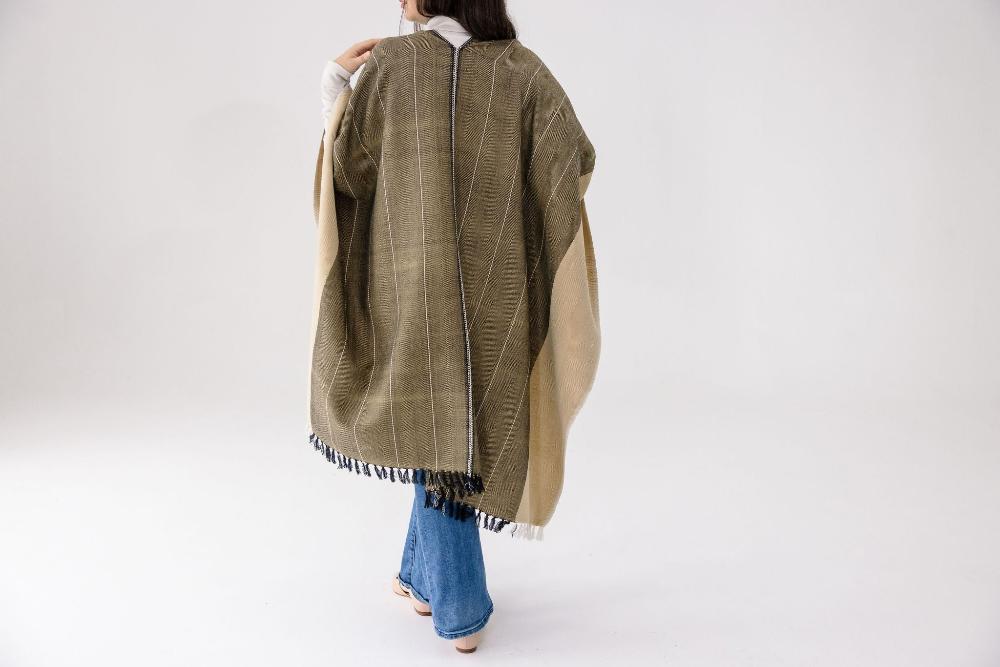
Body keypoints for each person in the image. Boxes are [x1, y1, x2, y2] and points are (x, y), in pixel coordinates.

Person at [309, 0, 599, 654]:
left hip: (409, 294)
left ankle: (462, 610)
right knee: (446, 431)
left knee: (441, 433)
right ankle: (419, 577)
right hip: (498, 302)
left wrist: (335, 85)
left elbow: (349, 170)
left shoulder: (392, 66)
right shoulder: (523, 72)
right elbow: (573, 160)